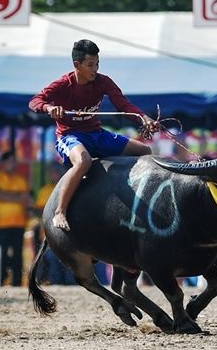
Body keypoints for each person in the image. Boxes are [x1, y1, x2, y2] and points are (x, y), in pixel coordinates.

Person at [29, 39, 157, 231]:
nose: (95, 69)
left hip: (97, 134)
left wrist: (144, 118)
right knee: (83, 161)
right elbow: (35, 101)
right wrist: (49, 108)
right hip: (70, 137)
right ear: (77, 65)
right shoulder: (63, 84)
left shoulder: (103, 81)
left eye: (97, 64)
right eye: (90, 65)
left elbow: (124, 105)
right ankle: (60, 212)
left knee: (145, 150)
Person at [0, 151, 30, 286]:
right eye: (10, 161)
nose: (13, 164)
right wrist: (16, 196)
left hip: (19, 222)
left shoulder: (21, 178)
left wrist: (6, 195)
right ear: (3, 163)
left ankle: (17, 282)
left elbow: (25, 198)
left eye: (13, 161)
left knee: (18, 254)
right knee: (1, 253)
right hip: (1, 224)